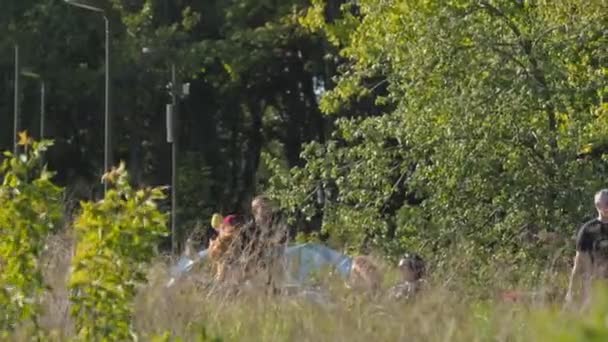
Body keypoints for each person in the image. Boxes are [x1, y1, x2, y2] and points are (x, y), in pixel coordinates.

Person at [565, 189, 608, 307]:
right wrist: (571, 291)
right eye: (605, 202)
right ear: (597, 205)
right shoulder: (588, 230)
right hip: (597, 286)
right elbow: (579, 264)